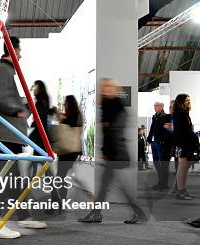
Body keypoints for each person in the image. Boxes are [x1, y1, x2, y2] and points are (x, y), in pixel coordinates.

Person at [0, 36, 47, 239]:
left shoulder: (7, 73)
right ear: (12, 50)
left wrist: (21, 105)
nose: (21, 54)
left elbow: (0, 98)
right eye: (19, 50)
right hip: (0, 138)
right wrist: (19, 109)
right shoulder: (3, 72)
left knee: (14, 180)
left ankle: (23, 215)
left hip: (6, 137)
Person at [78, 79, 146, 224]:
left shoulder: (116, 105)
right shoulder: (107, 105)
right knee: (109, 185)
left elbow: (114, 131)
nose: (105, 89)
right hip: (112, 152)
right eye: (104, 87)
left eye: (109, 87)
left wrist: (107, 151)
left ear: (114, 89)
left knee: (110, 186)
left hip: (115, 153)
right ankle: (99, 213)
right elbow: (107, 131)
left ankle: (99, 214)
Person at [47, 95, 83, 215]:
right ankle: (59, 203)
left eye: (65, 102)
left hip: (70, 151)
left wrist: (60, 116)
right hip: (64, 151)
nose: (64, 104)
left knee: (59, 177)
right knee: (60, 177)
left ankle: (57, 204)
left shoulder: (77, 114)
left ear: (70, 103)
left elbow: (72, 125)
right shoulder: (68, 115)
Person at [172, 94, 198, 200]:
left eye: (189, 100)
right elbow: (183, 131)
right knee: (182, 169)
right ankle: (180, 191)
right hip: (182, 145)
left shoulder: (184, 113)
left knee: (184, 168)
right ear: (181, 101)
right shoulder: (180, 113)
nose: (189, 101)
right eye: (187, 100)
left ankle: (182, 190)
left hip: (185, 144)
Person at [147, 102, 170, 189]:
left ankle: (164, 184)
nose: (155, 107)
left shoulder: (166, 117)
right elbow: (152, 128)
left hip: (161, 143)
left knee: (163, 164)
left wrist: (164, 140)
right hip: (154, 142)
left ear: (162, 107)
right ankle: (160, 182)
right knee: (156, 163)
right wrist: (149, 138)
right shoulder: (155, 116)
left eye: (157, 106)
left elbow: (168, 130)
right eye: (154, 105)